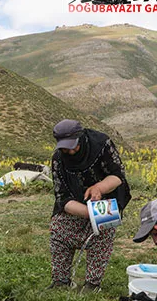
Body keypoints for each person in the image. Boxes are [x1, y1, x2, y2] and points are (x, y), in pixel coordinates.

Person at [48, 119, 131, 292]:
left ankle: (92, 284)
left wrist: (99, 188)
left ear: (82, 137)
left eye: (74, 146)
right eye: (65, 148)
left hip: (107, 199)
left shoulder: (101, 144)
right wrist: (89, 212)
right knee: (58, 230)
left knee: (102, 233)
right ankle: (61, 281)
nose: (70, 151)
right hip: (77, 204)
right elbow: (62, 197)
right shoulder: (58, 160)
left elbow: (117, 176)